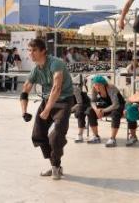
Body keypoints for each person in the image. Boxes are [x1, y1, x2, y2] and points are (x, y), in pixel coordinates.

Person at [19, 39, 75, 180]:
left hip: (63, 101)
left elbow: (57, 88)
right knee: (38, 135)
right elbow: (25, 90)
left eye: (34, 50)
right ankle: (55, 165)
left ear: (43, 50)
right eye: (29, 50)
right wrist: (24, 111)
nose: (31, 53)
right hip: (47, 101)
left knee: (56, 136)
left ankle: (56, 166)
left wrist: (47, 110)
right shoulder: (35, 70)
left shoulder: (55, 63)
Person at [84, 75, 126, 147]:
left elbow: (115, 104)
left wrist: (103, 111)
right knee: (90, 111)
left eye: (98, 85)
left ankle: (112, 139)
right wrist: (97, 110)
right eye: (95, 85)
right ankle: (96, 136)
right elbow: (93, 101)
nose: (96, 87)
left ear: (103, 84)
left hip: (119, 105)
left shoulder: (111, 87)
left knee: (115, 113)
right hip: (107, 104)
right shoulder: (94, 88)